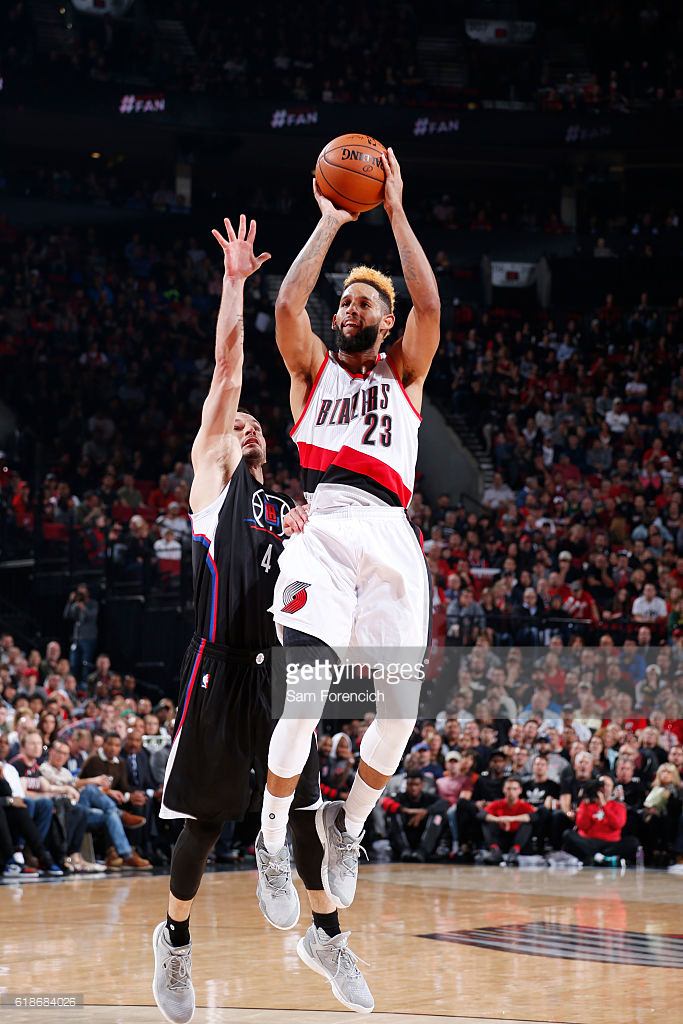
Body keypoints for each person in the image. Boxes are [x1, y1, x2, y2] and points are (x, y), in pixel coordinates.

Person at [151, 217, 353, 1023]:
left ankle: (327, 934)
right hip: (220, 662)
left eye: (254, 426)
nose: (247, 425)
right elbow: (228, 369)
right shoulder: (213, 485)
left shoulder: (286, 508)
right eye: (237, 424)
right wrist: (236, 284)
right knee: (203, 823)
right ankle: (173, 946)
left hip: (278, 668)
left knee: (302, 809)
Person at [260, 149, 439, 987]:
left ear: (386, 317)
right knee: (303, 695)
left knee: (397, 713)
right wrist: (332, 220)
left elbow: (430, 300)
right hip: (326, 521)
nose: (349, 306)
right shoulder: (311, 371)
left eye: (365, 299)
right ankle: (269, 839)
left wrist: (394, 211)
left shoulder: (405, 369)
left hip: (392, 532)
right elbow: (289, 300)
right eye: (347, 299)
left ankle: (346, 821)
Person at [561, 776, 639, 865]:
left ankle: (596, 857)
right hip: (589, 841)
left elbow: (618, 824)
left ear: (613, 788)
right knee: (568, 834)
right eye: (601, 784)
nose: (604, 788)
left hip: (611, 843)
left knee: (633, 842)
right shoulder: (586, 804)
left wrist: (604, 806)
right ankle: (601, 858)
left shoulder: (619, 806)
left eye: (607, 785)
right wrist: (585, 806)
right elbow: (582, 825)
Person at [384, 772, 448, 862]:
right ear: (406, 785)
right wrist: (406, 810)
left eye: (416, 785)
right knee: (393, 814)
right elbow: (385, 802)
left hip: (424, 837)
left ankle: (423, 851)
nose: (413, 788)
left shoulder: (428, 798)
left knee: (438, 816)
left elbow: (444, 803)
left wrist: (425, 812)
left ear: (422, 785)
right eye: (410, 785)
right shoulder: (400, 797)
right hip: (405, 837)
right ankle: (404, 850)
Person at [481, 776, 535, 865]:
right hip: (500, 838)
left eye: (514, 789)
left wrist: (511, 819)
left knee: (527, 824)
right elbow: (481, 815)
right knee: (487, 821)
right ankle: (494, 850)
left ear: (520, 790)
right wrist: (498, 820)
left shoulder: (525, 805)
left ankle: (515, 851)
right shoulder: (497, 803)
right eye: (508, 789)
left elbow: (534, 816)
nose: (511, 792)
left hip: (518, 840)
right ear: (503, 790)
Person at [63, 584, 99, 682]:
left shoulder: (93, 604)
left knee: (86, 663)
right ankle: (73, 683)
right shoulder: (76, 605)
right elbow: (66, 615)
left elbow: (92, 617)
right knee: (74, 663)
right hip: (76, 638)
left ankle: (85, 684)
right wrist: (70, 602)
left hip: (88, 638)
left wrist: (84, 608)